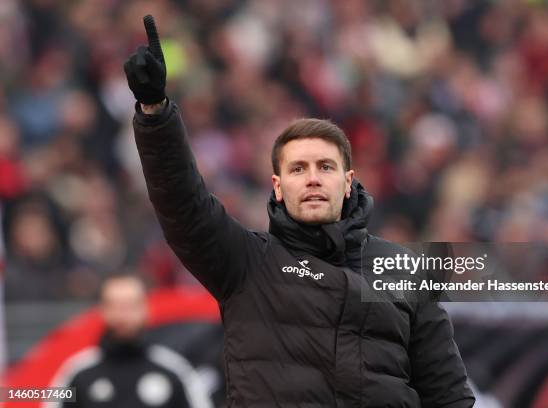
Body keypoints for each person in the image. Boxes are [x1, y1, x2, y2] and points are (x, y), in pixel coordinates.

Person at [123, 15, 475, 407]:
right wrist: (155, 112)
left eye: (325, 167)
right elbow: (182, 205)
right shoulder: (246, 262)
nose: (312, 179)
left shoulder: (404, 269)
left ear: (348, 181)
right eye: (297, 169)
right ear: (278, 185)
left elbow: (448, 395)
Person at [50, 274, 213, 408]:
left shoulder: (174, 370)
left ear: (146, 309)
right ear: (102, 310)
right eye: (115, 305)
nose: (123, 316)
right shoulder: (77, 373)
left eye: (130, 306)